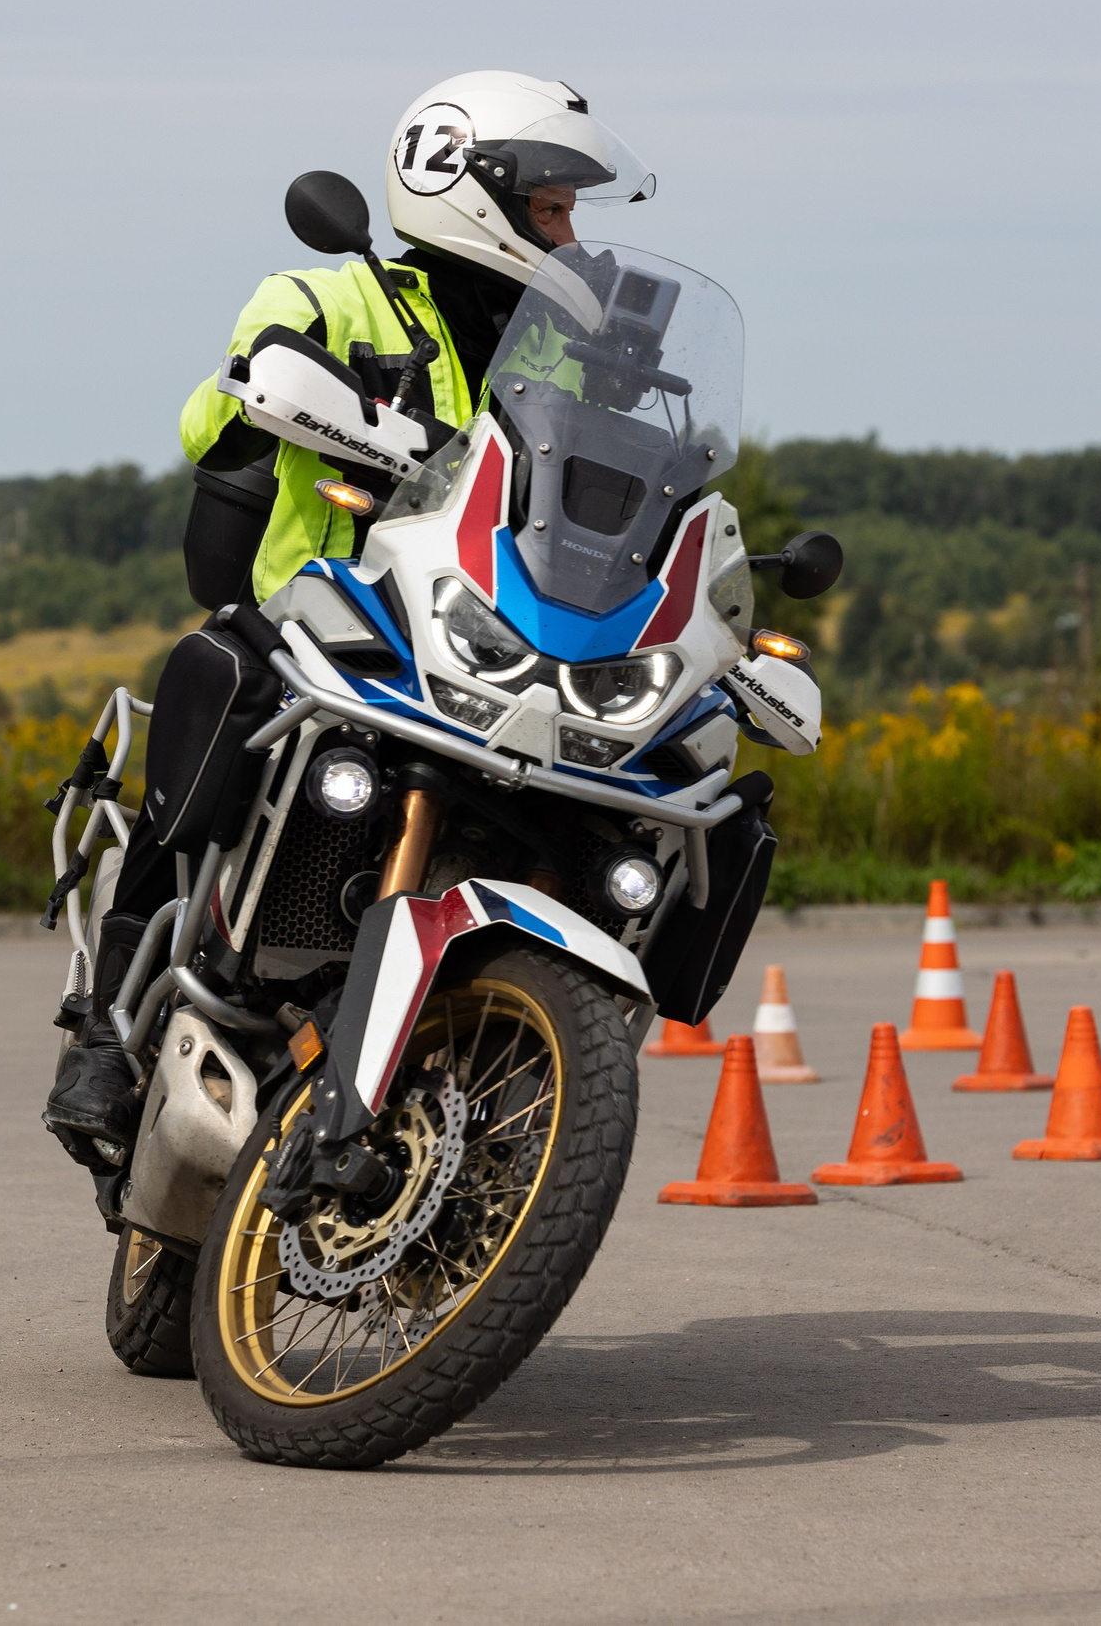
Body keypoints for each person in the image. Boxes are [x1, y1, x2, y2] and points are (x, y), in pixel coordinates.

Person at [42, 71, 656, 1171]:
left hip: (481, 646)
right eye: (552, 207)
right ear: (473, 190)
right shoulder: (325, 298)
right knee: (224, 676)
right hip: (326, 620)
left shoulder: (566, 355)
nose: (566, 234)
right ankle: (102, 1032)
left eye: (571, 212)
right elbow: (229, 401)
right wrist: (327, 409)